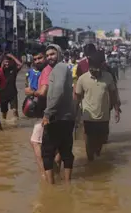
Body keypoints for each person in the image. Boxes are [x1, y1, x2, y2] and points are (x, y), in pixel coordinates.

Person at [75, 51, 121, 161]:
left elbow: (113, 93)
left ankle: (96, 156)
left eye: (96, 68)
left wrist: (116, 109)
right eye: (91, 68)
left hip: (104, 116)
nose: (93, 71)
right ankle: (90, 161)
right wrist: (75, 114)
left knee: (101, 141)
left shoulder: (108, 77)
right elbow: (77, 97)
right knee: (89, 141)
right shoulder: (82, 79)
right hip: (88, 116)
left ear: (101, 65)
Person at [41, 44, 76, 184]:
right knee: (65, 150)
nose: (50, 57)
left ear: (59, 54)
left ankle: (51, 186)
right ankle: (67, 185)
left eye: (52, 54)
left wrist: (47, 113)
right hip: (66, 117)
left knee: (47, 153)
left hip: (57, 117)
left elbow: (59, 90)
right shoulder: (62, 68)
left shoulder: (60, 67)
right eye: (48, 55)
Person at [24, 48, 48, 178]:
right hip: (40, 111)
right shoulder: (30, 73)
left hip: (47, 111)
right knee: (46, 142)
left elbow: (41, 92)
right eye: (35, 59)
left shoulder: (48, 72)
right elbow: (29, 88)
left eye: (40, 58)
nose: (37, 61)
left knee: (35, 142)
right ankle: (50, 169)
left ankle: (44, 173)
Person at [0, 53, 24, 120]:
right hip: (2, 94)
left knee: (15, 111)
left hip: (12, 94)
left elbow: (20, 64)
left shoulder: (14, 69)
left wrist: (12, 57)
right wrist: (2, 66)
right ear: (2, 62)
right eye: (5, 62)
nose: (7, 64)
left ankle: (17, 125)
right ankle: (4, 124)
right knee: (4, 113)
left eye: (8, 62)